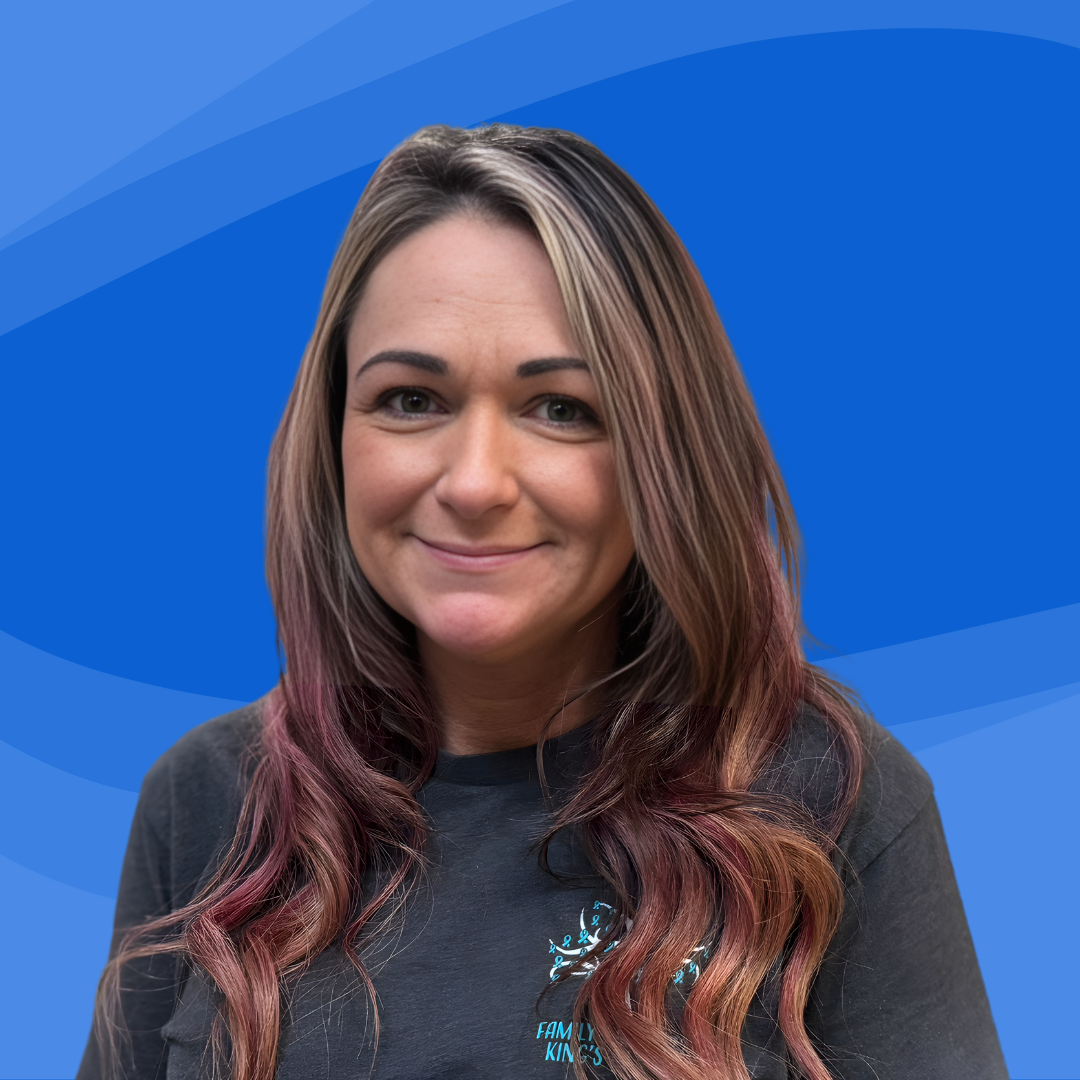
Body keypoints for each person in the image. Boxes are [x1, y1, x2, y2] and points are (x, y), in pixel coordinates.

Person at [77, 124, 1007, 1080]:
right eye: (410, 400)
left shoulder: (829, 798)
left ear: (661, 454)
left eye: (562, 409)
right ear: (333, 435)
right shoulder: (208, 802)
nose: (476, 483)